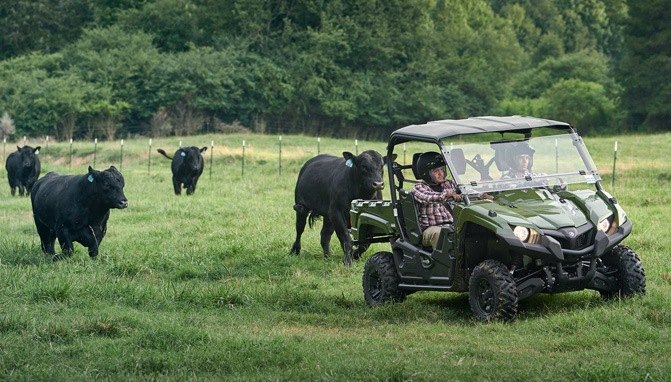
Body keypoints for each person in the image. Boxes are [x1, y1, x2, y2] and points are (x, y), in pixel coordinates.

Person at [412, 152, 462, 249]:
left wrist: (482, 194)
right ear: (426, 173)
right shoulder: (418, 188)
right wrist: (448, 194)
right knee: (439, 233)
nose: (441, 174)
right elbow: (427, 197)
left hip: (452, 225)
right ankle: (446, 262)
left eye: (442, 169)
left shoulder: (449, 184)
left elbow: (464, 190)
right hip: (430, 229)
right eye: (435, 171)